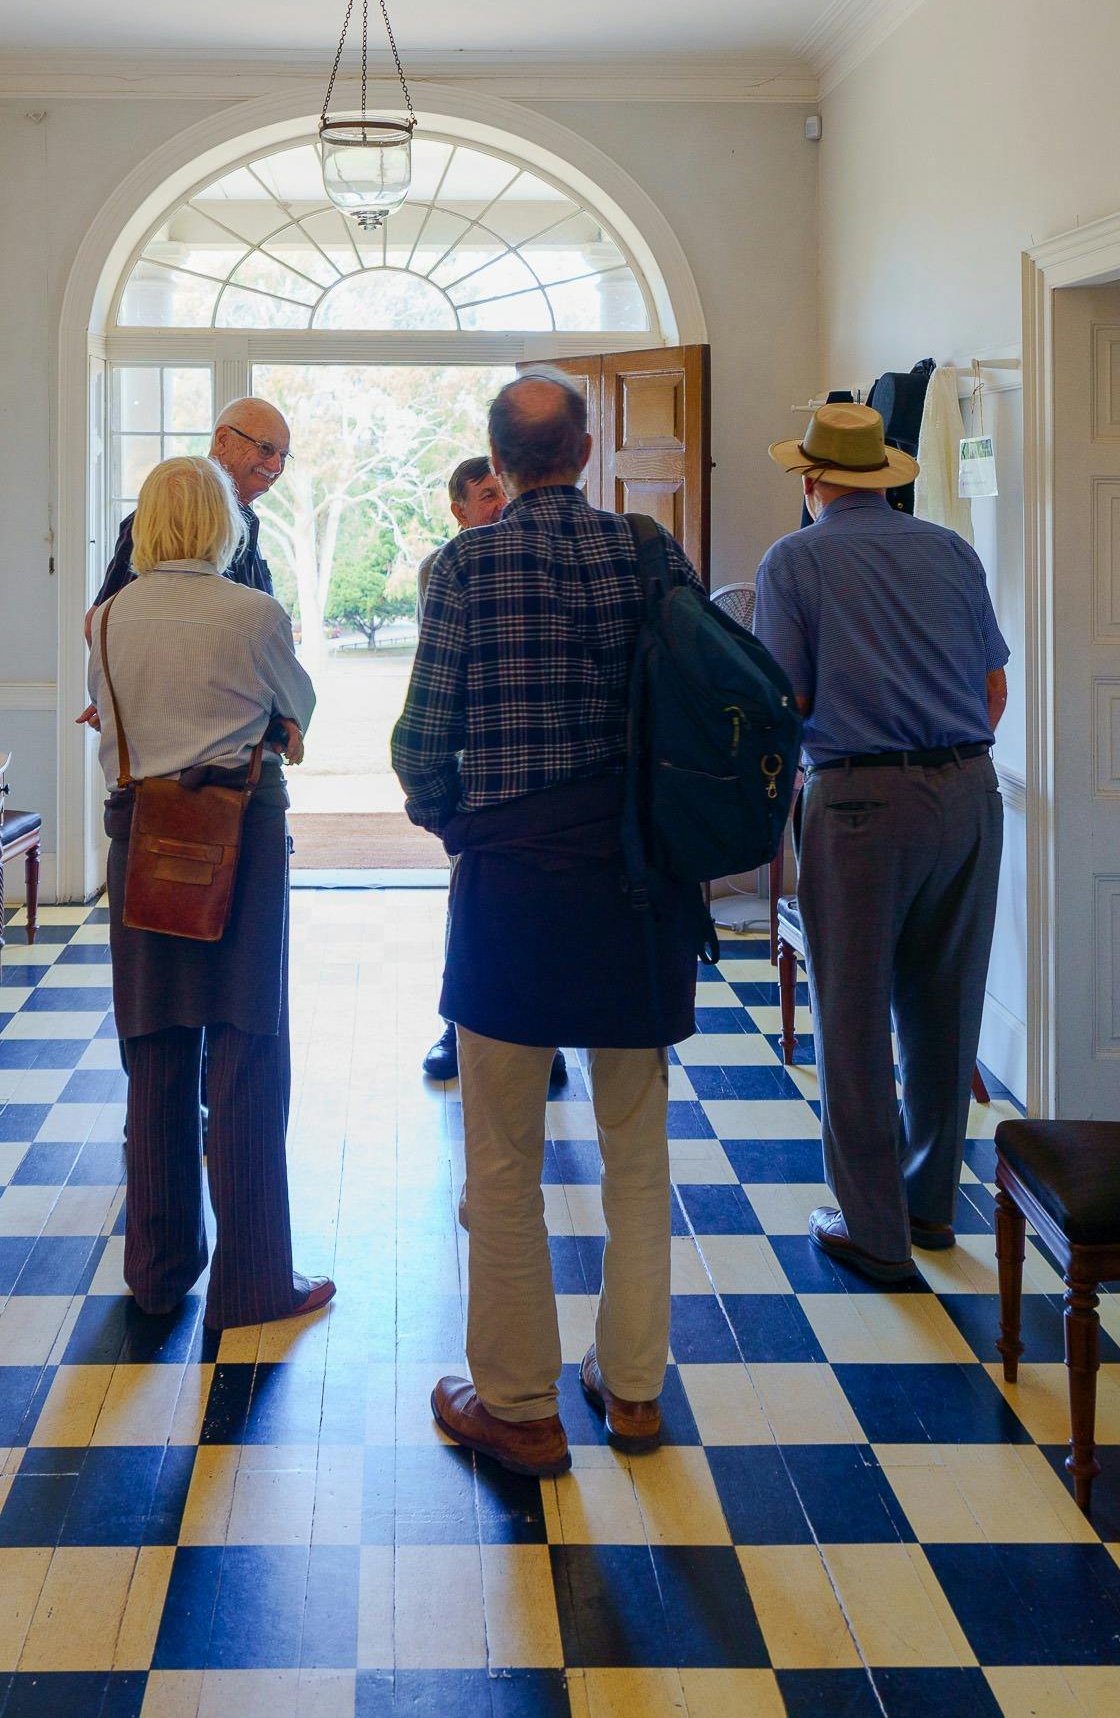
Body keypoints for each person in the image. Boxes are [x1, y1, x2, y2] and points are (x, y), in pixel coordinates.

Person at [393, 376, 703, 1475]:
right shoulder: (648, 550)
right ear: (585, 447)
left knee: (505, 1159)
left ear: (501, 459)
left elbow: (422, 742)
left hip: (515, 890)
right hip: (635, 888)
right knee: (636, 1151)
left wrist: (459, 824)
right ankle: (634, 1394)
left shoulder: (464, 567)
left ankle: (519, 1407)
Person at [747, 402, 1010, 1288]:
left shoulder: (795, 560)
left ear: (811, 481)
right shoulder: (950, 551)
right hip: (972, 790)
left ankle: (875, 1232)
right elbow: (992, 689)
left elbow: (784, 699)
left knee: (852, 1017)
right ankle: (930, 1205)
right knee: (948, 1009)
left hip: (860, 798)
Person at [85, 453, 334, 1335]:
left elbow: (110, 730)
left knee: (153, 1048)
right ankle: (254, 1282)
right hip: (241, 834)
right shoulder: (254, 613)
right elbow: (298, 707)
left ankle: (156, 1272)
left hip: (140, 833)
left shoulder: (108, 616)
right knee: (247, 1046)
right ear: (223, 524)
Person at [417, 452, 515, 1085]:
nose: (499, 504)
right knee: (469, 900)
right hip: (470, 761)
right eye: (485, 496)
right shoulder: (441, 570)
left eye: (503, 492)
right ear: (458, 509)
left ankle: (545, 1038)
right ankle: (457, 1027)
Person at [93, 396, 289, 605]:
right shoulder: (165, 515)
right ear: (223, 439)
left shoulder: (248, 519)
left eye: (284, 455)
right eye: (265, 448)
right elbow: (99, 619)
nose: (277, 466)